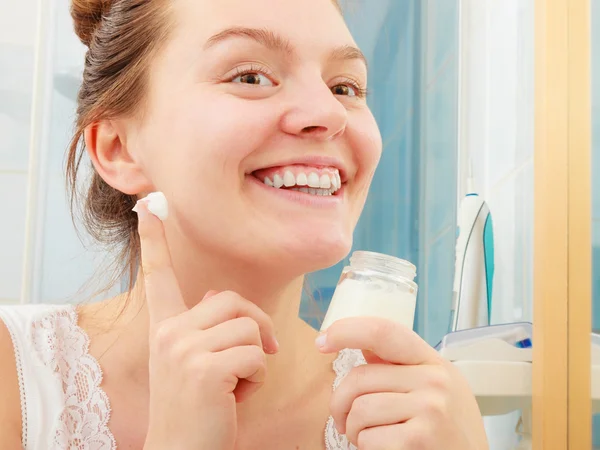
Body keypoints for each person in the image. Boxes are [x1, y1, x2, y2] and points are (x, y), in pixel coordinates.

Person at [0, 0, 489, 448]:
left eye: (345, 87)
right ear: (119, 149)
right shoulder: (17, 376)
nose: (328, 112)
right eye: (251, 77)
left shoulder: (426, 416)